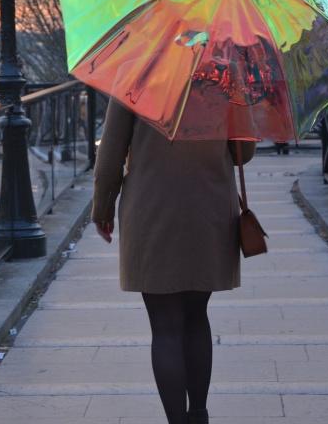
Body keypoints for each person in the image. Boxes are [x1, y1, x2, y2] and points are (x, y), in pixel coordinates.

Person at [91, 99, 256, 424]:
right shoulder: (224, 75)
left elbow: (110, 153)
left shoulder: (135, 74)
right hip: (209, 205)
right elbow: (243, 153)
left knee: (165, 326)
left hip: (151, 207)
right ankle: (199, 415)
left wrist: (103, 208)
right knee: (197, 316)